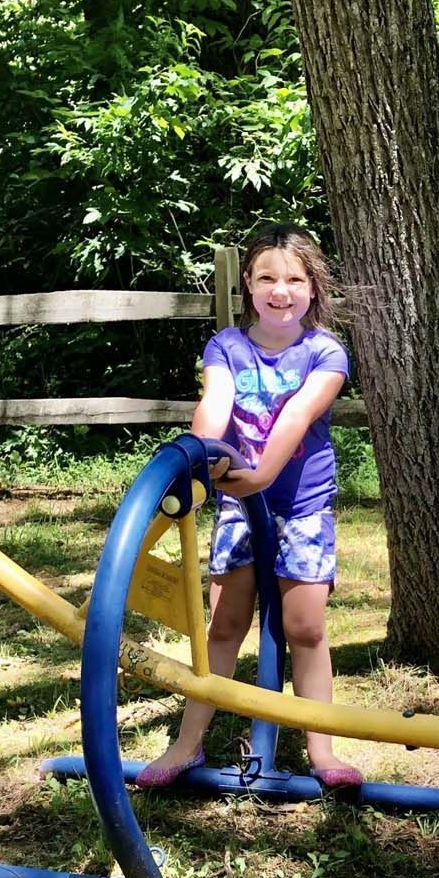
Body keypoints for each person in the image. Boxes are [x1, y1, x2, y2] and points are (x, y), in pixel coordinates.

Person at [135, 224, 361, 789]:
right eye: (266, 278)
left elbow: (297, 417)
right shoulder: (227, 347)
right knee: (225, 622)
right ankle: (187, 745)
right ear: (248, 287)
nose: (279, 290)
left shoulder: (325, 351)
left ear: (313, 287)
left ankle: (323, 751)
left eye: (293, 279)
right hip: (238, 500)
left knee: (305, 627)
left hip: (302, 504)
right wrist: (203, 456)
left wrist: (260, 474)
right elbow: (216, 404)